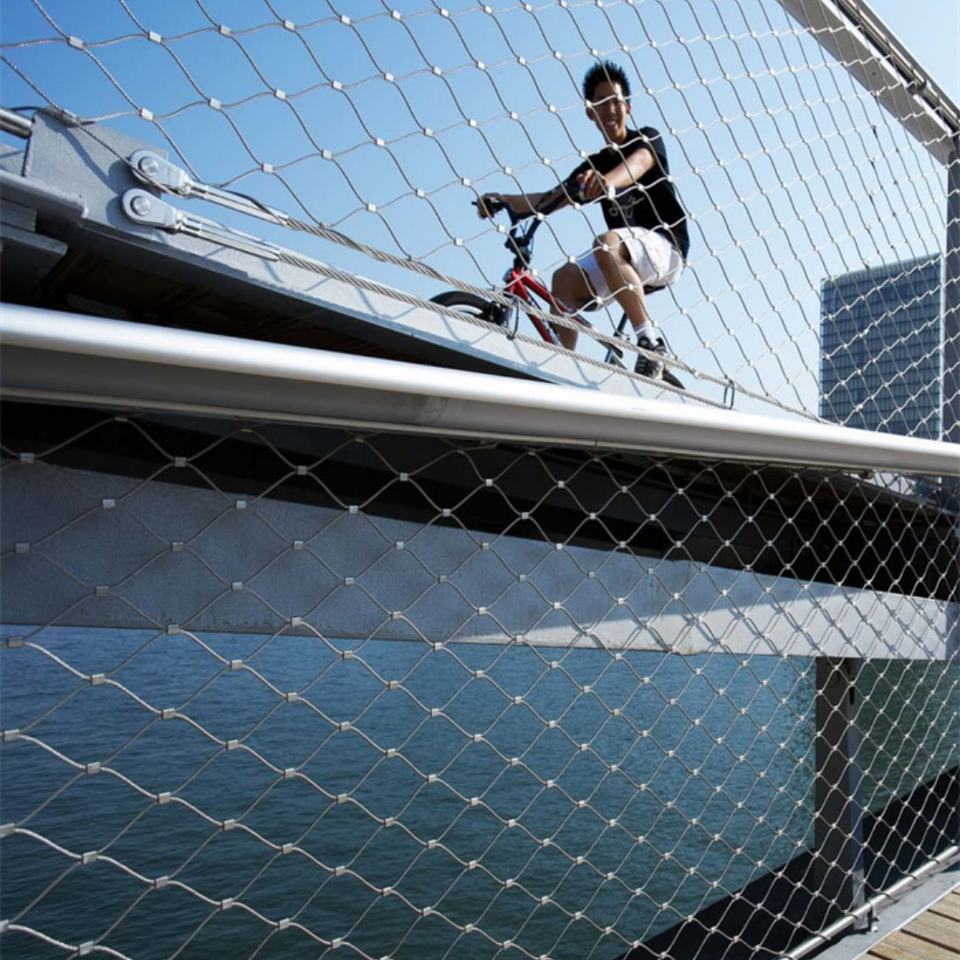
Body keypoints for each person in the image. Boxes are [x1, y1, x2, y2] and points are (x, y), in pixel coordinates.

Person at [476, 60, 689, 380]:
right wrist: (503, 200)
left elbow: (640, 163)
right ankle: (558, 372)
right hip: (621, 260)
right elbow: (551, 198)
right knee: (563, 279)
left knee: (606, 244)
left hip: (666, 248)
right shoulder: (594, 165)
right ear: (590, 113)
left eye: (616, 101)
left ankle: (651, 344)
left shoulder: (646, 139)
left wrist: (608, 182)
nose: (610, 110)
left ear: (628, 107)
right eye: (601, 104)